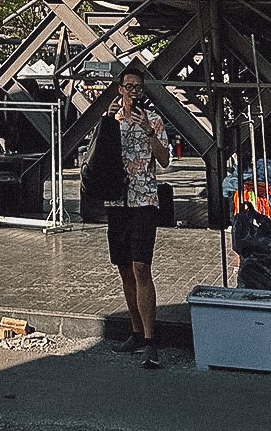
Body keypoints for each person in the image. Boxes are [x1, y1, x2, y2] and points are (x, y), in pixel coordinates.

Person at [106, 67, 170, 370]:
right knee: (124, 270)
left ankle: (149, 340)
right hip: (116, 200)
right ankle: (134, 331)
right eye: (128, 86)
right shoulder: (112, 121)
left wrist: (147, 130)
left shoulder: (154, 120)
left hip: (144, 200)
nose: (134, 91)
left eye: (138, 87)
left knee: (142, 267)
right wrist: (108, 123)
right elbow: (98, 155)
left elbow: (165, 159)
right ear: (120, 89)